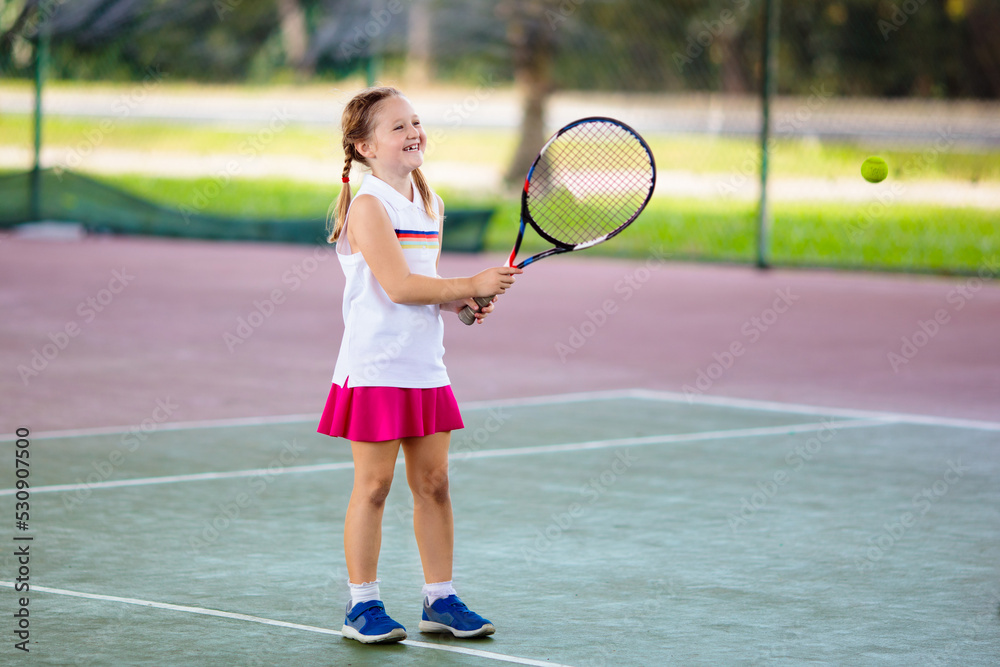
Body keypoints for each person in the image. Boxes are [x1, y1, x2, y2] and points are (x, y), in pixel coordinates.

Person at [316, 86, 522, 644]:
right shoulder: (367, 206)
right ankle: (362, 606)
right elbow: (400, 285)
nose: (413, 133)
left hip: (424, 366)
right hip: (376, 369)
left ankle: (441, 599)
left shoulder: (429, 204)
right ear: (363, 147)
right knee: (375, 485)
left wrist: (459, 302)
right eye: (397, 127)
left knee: (434, 483)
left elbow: (425, 286)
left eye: (416, 122)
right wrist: (469, 283)